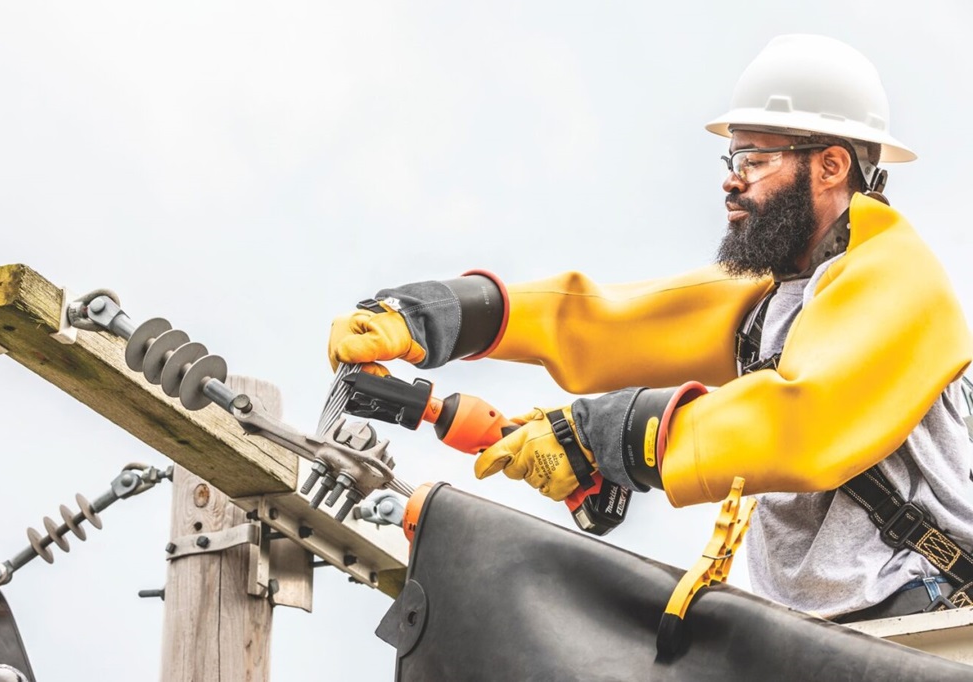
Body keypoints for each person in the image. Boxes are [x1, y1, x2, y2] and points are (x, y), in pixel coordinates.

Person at [327, 34, 973, 622]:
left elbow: (802, 422)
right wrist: (434, 316)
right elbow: (608, 322)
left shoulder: (896, 279)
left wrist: (600, 437)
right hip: (831, 632)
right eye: (731, 154)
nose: (731, 177)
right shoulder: (779, 296)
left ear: (831, 166)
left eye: (753, 156)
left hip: (926, 617)